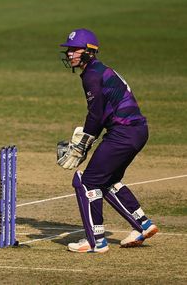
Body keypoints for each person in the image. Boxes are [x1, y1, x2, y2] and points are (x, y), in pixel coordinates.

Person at [56, 28, 158, 253]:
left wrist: (83, 144)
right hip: (137, 131)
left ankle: (96, 240)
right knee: (107, 180)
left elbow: (96, 114)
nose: (70, 54)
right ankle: (143, 224)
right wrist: (88, 142)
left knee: (87, 182)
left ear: (89, 51)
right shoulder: (98, 70)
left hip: (123, 132)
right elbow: (101, 114)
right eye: (69, 50)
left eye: (74, 50)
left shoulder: (92, 75)